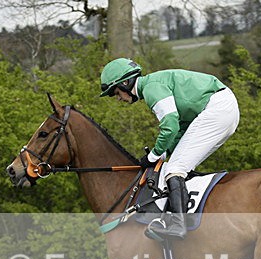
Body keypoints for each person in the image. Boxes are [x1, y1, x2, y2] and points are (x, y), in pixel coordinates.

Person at [99, 58, 240, 240]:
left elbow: (170, 126)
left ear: (125, 83)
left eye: (115, 92)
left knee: (175, 169)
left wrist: (153, 155)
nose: (117, 98)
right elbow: (179, 130)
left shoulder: (151, 88)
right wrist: (163, 152)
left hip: (217, 110)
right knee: (177, 164)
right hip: (222, 108)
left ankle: (177, 225)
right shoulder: (153, 84)